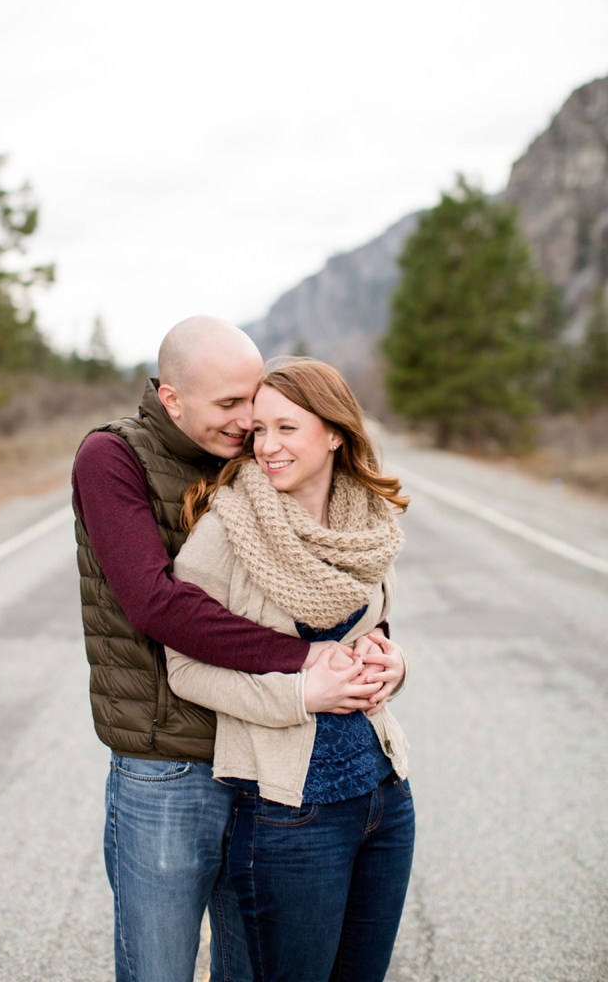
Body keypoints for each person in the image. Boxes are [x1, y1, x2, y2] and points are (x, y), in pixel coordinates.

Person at [71, 316, 397, 982]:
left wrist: (377, 647)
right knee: (159, 966)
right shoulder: (112, 458)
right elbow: (154, 604)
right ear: (172, 399)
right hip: (168, 764)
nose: (250, 421)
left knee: (250, 968)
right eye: (230, 406)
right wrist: (305, 662)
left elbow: (314, 587)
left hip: (260, 757)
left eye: (256, 401)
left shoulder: (255, 459)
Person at [169, 357, 412, 982]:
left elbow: (372, 629)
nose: (268, 447)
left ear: (334, 433)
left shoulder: (367, 523)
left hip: (384, 793)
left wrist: (396, 663)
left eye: (286, 429)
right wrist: (303, 694)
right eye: (258, 432)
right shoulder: (228, 530)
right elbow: (185, 671)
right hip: (290, 812)